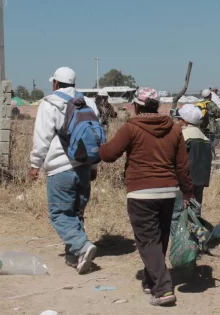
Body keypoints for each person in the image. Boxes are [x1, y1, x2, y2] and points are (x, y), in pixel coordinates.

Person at [99, 87, 193, 307]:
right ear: (157, 106)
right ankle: (151, 281)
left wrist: (98, 147)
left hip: (141, 192)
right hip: (169, 191)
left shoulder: (132, 127)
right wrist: (188, 190)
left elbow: (109, 155)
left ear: (137, 106)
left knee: (148, 241)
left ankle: (162, 290)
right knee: (159, 238)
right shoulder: (174, 128)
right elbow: (182, 165)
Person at [29, 67, 99, 275]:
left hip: (60, 168)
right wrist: (94, 165)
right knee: (76, 211)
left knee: (59, 213)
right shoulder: (89, 102)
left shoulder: (50, 103)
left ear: (55, 84)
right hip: (84, 166)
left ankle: (82, 246)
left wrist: (35, 164)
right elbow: (94, 137)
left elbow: (42, 138)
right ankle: (74, 255)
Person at [170, 104, 212, 233]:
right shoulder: (205, 138)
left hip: (183, 182)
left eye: (179, 119)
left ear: (185, 121)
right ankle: (195, 242)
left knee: (177, 214)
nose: (177, 122)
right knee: (194, 213)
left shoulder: (182, 136)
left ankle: (180, 245)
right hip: (200, 182)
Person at [198, 89, 220, 155]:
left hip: (201, 125)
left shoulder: (200, 104)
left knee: (206, 138)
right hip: (211, 124)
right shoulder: (211, 104)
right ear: (209, 95)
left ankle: (207, 151)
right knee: (217, 135)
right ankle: (210, 150)